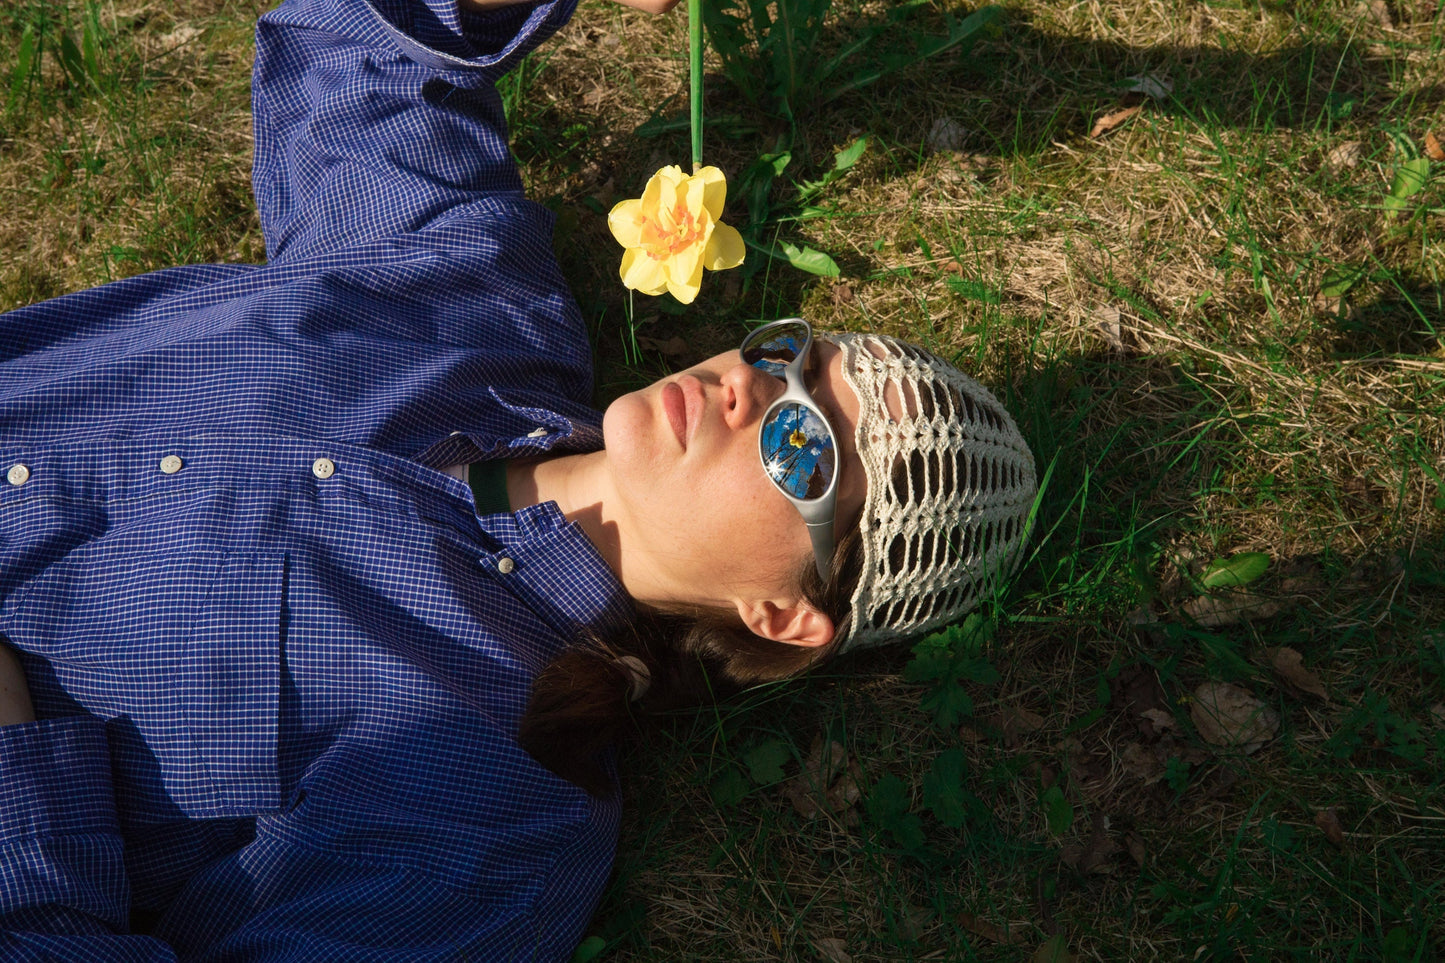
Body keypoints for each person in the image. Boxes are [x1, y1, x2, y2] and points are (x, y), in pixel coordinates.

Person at [0, 0, 1036, 958]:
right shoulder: (473, 307)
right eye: (785, 357)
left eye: (799, 446)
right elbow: (357, 47)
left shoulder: (486, 812)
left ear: (782, 615)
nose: (745, 390)